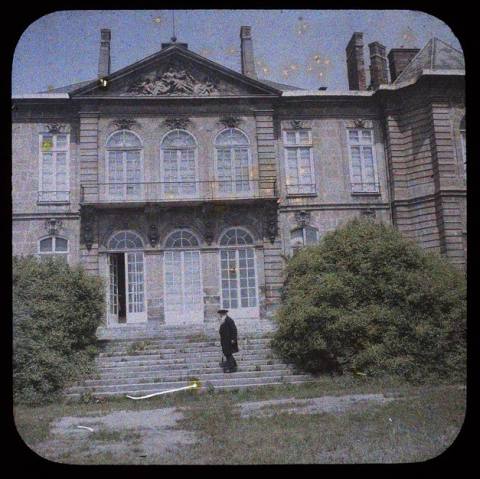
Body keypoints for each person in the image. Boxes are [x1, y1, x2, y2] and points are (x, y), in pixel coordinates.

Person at [217, 309, 238, 373]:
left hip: (229, 340)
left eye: (221, 314)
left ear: (224, 314)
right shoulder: (223, 320)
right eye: (220, 314)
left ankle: (232, 368)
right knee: (227, 353)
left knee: (228, 353)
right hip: (225, 341)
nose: (220, 315)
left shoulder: (229, 320)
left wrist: (233, 339)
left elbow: (234, 329)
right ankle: (234, 365)